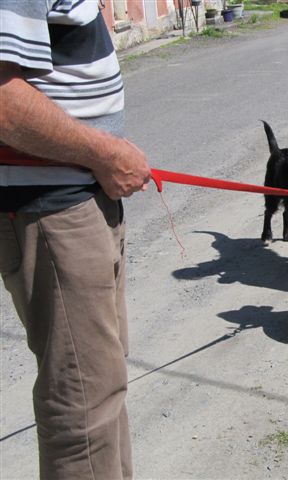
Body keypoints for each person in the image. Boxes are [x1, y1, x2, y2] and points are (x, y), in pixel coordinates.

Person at [0, 1, 150, 478]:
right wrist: (103, 153)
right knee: (83, 404)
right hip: (53, 208)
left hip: (81, 198)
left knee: (101, 388)